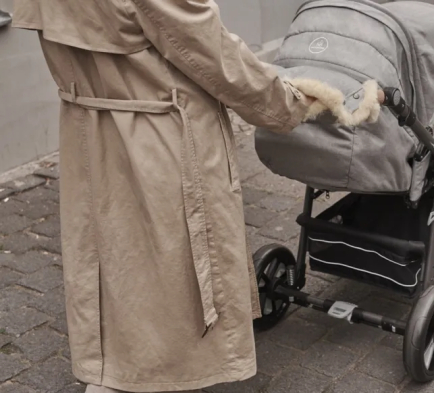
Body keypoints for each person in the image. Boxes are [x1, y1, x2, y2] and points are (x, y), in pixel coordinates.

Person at [12, 1, 316, 392]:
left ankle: (116, 370)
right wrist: (290, 103)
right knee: (170, 263)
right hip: (159, 131)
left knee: (112, 255)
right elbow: (211, 53)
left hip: (87, 123)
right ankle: (156, 375)